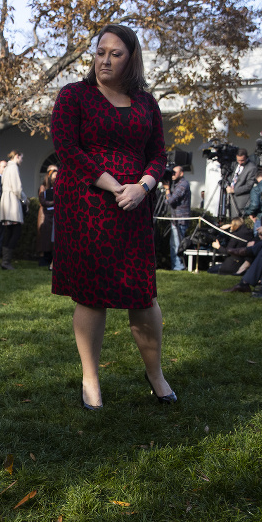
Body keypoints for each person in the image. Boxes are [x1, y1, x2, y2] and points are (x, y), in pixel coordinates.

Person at [50, 24, 176, 410]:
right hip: (87, 206)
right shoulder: (75, 95)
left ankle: (155, 373)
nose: (105, 59)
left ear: (131, 58)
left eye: (115, 53)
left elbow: (158, 154)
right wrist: (112, 184)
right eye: (100, 51)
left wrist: (143, 186)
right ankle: (91, 379)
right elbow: (66, 148)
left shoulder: (145, 103)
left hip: (133, 207)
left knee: (142, 295)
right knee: (92, 296)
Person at [0, 150, 27, 270]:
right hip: (12, 203)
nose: (22, 160)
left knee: (9, 232)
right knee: (15, 232)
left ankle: (5, 261)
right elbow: (17, 188)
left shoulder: (6, 168)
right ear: (16, 156)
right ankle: (6, 261)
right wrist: (25, 199)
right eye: (21, 158)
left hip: (6, 202)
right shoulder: (14, 167)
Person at [165, 165, 191, 271]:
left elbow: (170, 201)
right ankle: (175, 265)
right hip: (175, 218)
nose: (173, 175)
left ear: (181, 173)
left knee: (177, 244)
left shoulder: (183, 184)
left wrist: (167, 190)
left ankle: (178, 266)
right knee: (173, 244)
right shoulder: (175, 184)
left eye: (175, 172)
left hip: (180, 219)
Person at [226, 148, 257, 217]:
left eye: (242, 160)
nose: (240, 162)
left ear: (246, 158)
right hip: (231, 197)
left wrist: (234, 190)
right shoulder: (235, 165)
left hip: (241, 200)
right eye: (238, 160)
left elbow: (249, 185)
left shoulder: (252, 168)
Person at [37, 165, 58, 267]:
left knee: (53, 238)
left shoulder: (57, 187)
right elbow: (42, 201)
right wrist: (54, 202)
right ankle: (44, 258)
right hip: (45, 215)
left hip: (54, 214)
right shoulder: (43, 188)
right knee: (44, 238)